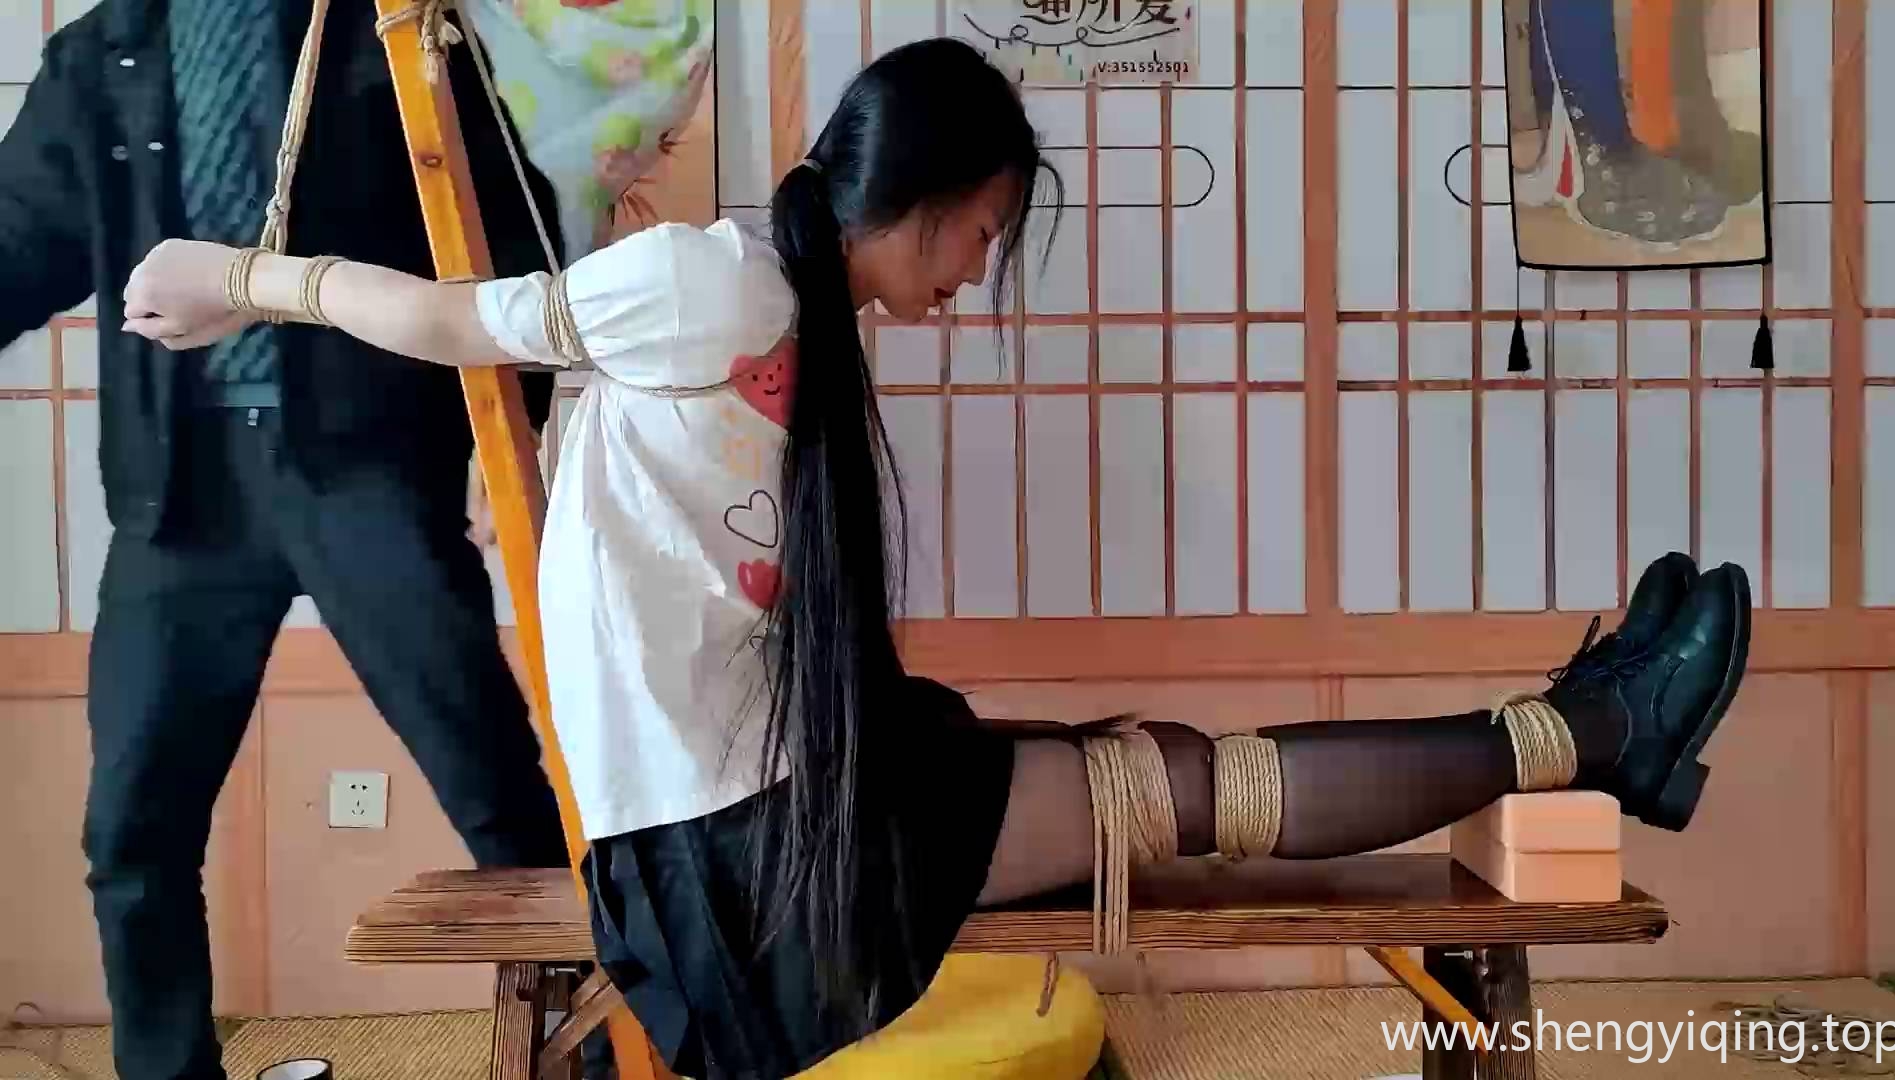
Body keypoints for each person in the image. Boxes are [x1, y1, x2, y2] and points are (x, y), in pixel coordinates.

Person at [120, 36, 1753, 1080]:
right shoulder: (712, 282)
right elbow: (450, 319)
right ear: (926, 196)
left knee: (1156, 777)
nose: (979, 268)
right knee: (1172, 790)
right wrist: (233, 277)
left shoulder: (782, 305)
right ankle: (1595, 732)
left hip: (773, 809)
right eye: (984, 229)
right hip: (738, 869)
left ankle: (1584, 720)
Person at [0, 3, 576, 1077]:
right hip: (180, 491)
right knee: (131, 829)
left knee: (492, 781)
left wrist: (513, 439)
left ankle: (595, 1044)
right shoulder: (104, 52)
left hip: (364, 467)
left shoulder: (386, 27)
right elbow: (18, 242)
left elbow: (502, 224)